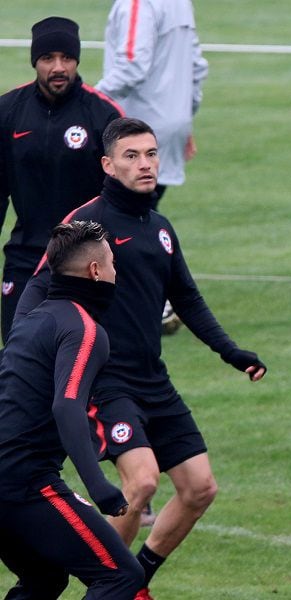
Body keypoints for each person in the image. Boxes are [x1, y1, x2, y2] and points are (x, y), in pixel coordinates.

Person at [15, 117, 267, 600]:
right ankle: (111, 586)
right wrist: (25, 350)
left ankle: (134, 582)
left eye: (151, 154)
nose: (145, 164)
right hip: (106, 380)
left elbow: (187, 300)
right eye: (132, 156)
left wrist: (231, 352)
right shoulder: (86, 226)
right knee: (144, 480)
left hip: (154, 378)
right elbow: (37, 287)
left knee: (199, 488)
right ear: (108, 165)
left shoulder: (161, 228)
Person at [0, 220, 143, 599]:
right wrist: (99, 487)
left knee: (45, 578)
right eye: (111, 262)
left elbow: (44, 274)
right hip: (25, 487)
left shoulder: (30, 315)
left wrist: (74, 234)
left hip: (7, 482)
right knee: (122, 575)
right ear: (96, 272)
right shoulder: (84, 331)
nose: (116, 270)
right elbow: (66, 407)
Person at [0, 16, 123, 344]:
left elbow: (124, 195)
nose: (58, 67)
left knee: (83, 362)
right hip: (25, 256)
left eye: (66, 58)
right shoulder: (8, 111)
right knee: (17, 357)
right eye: (47, 59)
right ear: (34, 62)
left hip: (86, 262)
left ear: (77, 60)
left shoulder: (104, 115)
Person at [96, 0, 209, 207]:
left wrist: (89, 102)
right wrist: (183, 120)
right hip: (169, 128)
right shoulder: (180, 3)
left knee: (121, 219)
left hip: (133, 134)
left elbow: (132, 67)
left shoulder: (137, 4)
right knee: (143, 214)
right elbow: (197, 67)